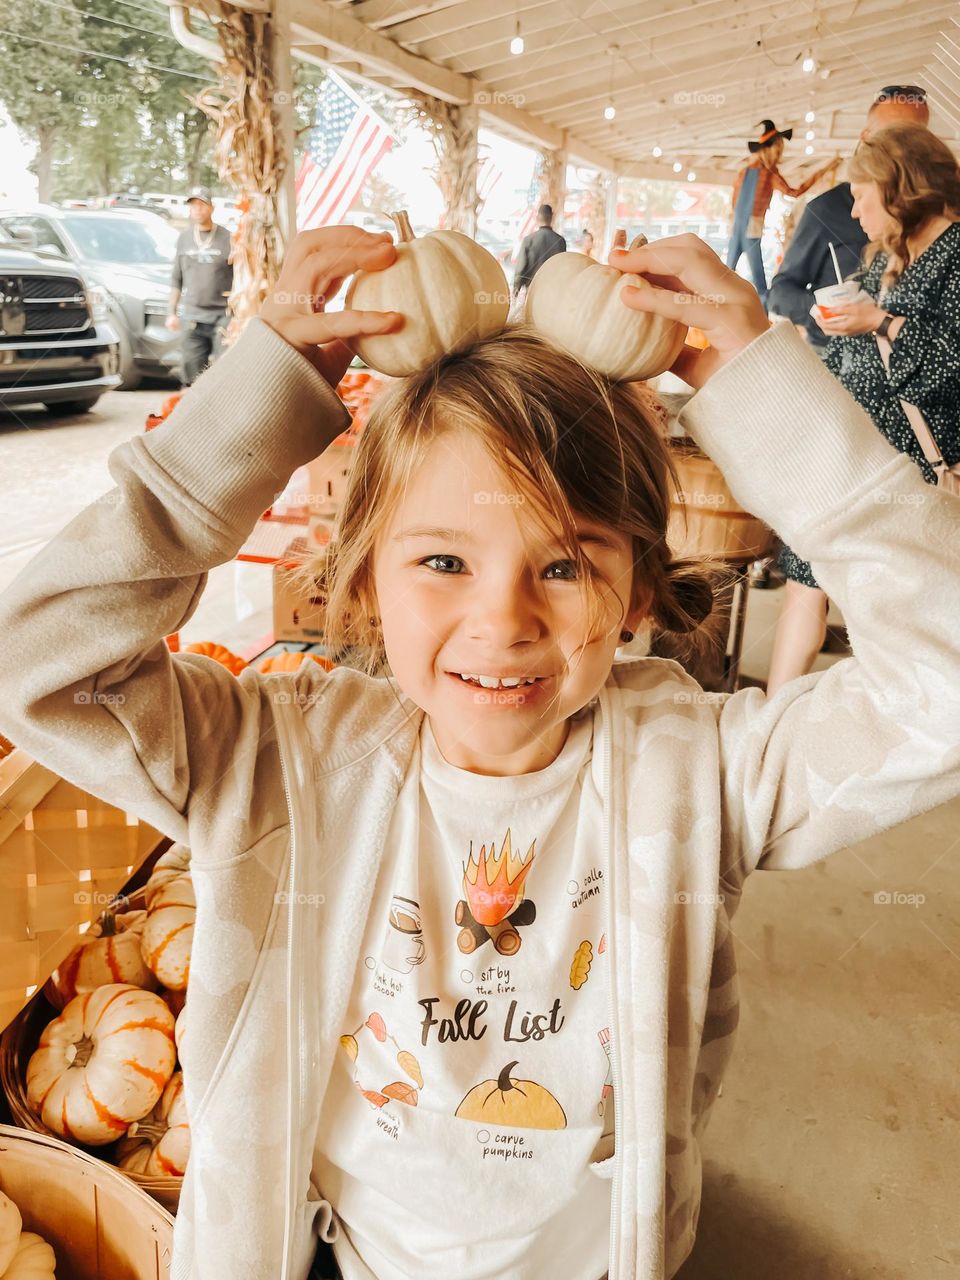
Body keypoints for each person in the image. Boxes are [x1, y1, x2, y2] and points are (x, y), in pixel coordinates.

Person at [0, 227, 957, 1280]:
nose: (501, 620)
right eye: (444, 559)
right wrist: (244, 421)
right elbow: (38, 662)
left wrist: (770, 399)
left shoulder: (701, 776)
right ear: (363, 580)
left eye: (562, 564)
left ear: (638, 590)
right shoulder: (278, 760)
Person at [767, 122, 960, 697]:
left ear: (897, 188)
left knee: (891, 611)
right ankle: (770, 726)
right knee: (806, 579)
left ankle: (901, 724)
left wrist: (879, 321)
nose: (852, 209)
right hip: (850, 459)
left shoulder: (956, 256)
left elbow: (952, 361)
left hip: (912, 474)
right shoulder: (891, 258)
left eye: (859, 192)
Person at [768, 85, 931, 347]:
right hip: (835, 360)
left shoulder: (936, 218)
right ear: (866, 138)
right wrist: (822, 308)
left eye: (916, 138)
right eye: (892, 135)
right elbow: (779, 293)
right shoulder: (827, 209)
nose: (905, 150)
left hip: (911, 366)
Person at [727, 119, 837, 305]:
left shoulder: (744, 171)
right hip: (751, 226)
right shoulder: (769, 173)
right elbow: (794, 192)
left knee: (726, 273)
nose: (780, 154)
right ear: (772, 149)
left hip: (739, 226)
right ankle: (764, 317)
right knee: (758, 280)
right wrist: (824, 169)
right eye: (779, 149)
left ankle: (720, 309)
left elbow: (734, 202)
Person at [166, 186, 234, 385]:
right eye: (193, 205)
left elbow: (241, 277)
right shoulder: (184, 238)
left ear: (211, 207)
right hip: (193, 316)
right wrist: (171, 312)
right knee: (192, 372)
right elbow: (176, 278)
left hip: (223, 316)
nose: (197, 209)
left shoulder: (228, 238)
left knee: (224, 368)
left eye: (201, 204)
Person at [512, 202, 566, 296]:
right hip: (553, 293)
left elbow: (521, 269)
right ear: (551, 217)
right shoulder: (560, 241)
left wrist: (516, 290)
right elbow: (562, 268)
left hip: (532, 291)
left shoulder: (528, 240)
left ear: (537, 218)